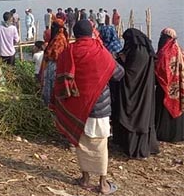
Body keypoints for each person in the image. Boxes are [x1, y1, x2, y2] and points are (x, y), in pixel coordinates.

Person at [53, 19, 122, 195]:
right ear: (92, 32)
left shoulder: (69, 51)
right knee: (100, 144)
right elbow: (118, 74)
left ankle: (84, 178)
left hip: (76, 105)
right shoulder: (100, 50)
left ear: (75, 34)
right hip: (99, 106)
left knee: (81, 142)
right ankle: (103, 184)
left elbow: (60, 77)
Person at [113, 28, 160, 159]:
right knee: (144, 116)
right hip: (144, 90)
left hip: (136, 92)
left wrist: (121, 62)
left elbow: (131, 74)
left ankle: (136, 148)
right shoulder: (143, 49)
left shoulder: (138, 52)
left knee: (136, 117)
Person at [154, 28, 184, 142]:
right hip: (178, 86)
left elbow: (160, 70)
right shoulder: (179, 50)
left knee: (164, 109)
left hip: (165, 87)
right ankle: (178, 133)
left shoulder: (164, 52)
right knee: (177, 107)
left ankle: (164, 134)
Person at [41, 20, 68, 105]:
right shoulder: (59, 36)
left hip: (54, 65)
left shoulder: (59, 39)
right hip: (53, 64)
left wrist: (47, 55)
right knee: (49, 85)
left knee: (51, 85)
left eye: (53, 26)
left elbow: (55, 54)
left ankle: (50, 105)